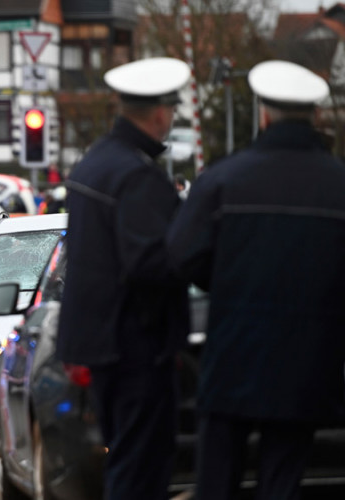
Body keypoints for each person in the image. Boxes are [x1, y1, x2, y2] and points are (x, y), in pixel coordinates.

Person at [167, 60, 344, 500]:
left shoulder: (222, 180)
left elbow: (180, 257)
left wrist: (228, 282)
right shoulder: (337, 185)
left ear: (263, 114)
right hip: (308, 364)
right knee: (282, 482)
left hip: (233, 358)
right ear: (315, 115)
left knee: (217, 482)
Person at [55, 57, 191, 500]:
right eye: (172, 110)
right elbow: (150, 263)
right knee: (141, 470)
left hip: (102, 344)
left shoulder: (95, 163)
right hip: (136, 347)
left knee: (125, 463)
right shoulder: (137, 176)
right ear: (160, 113)